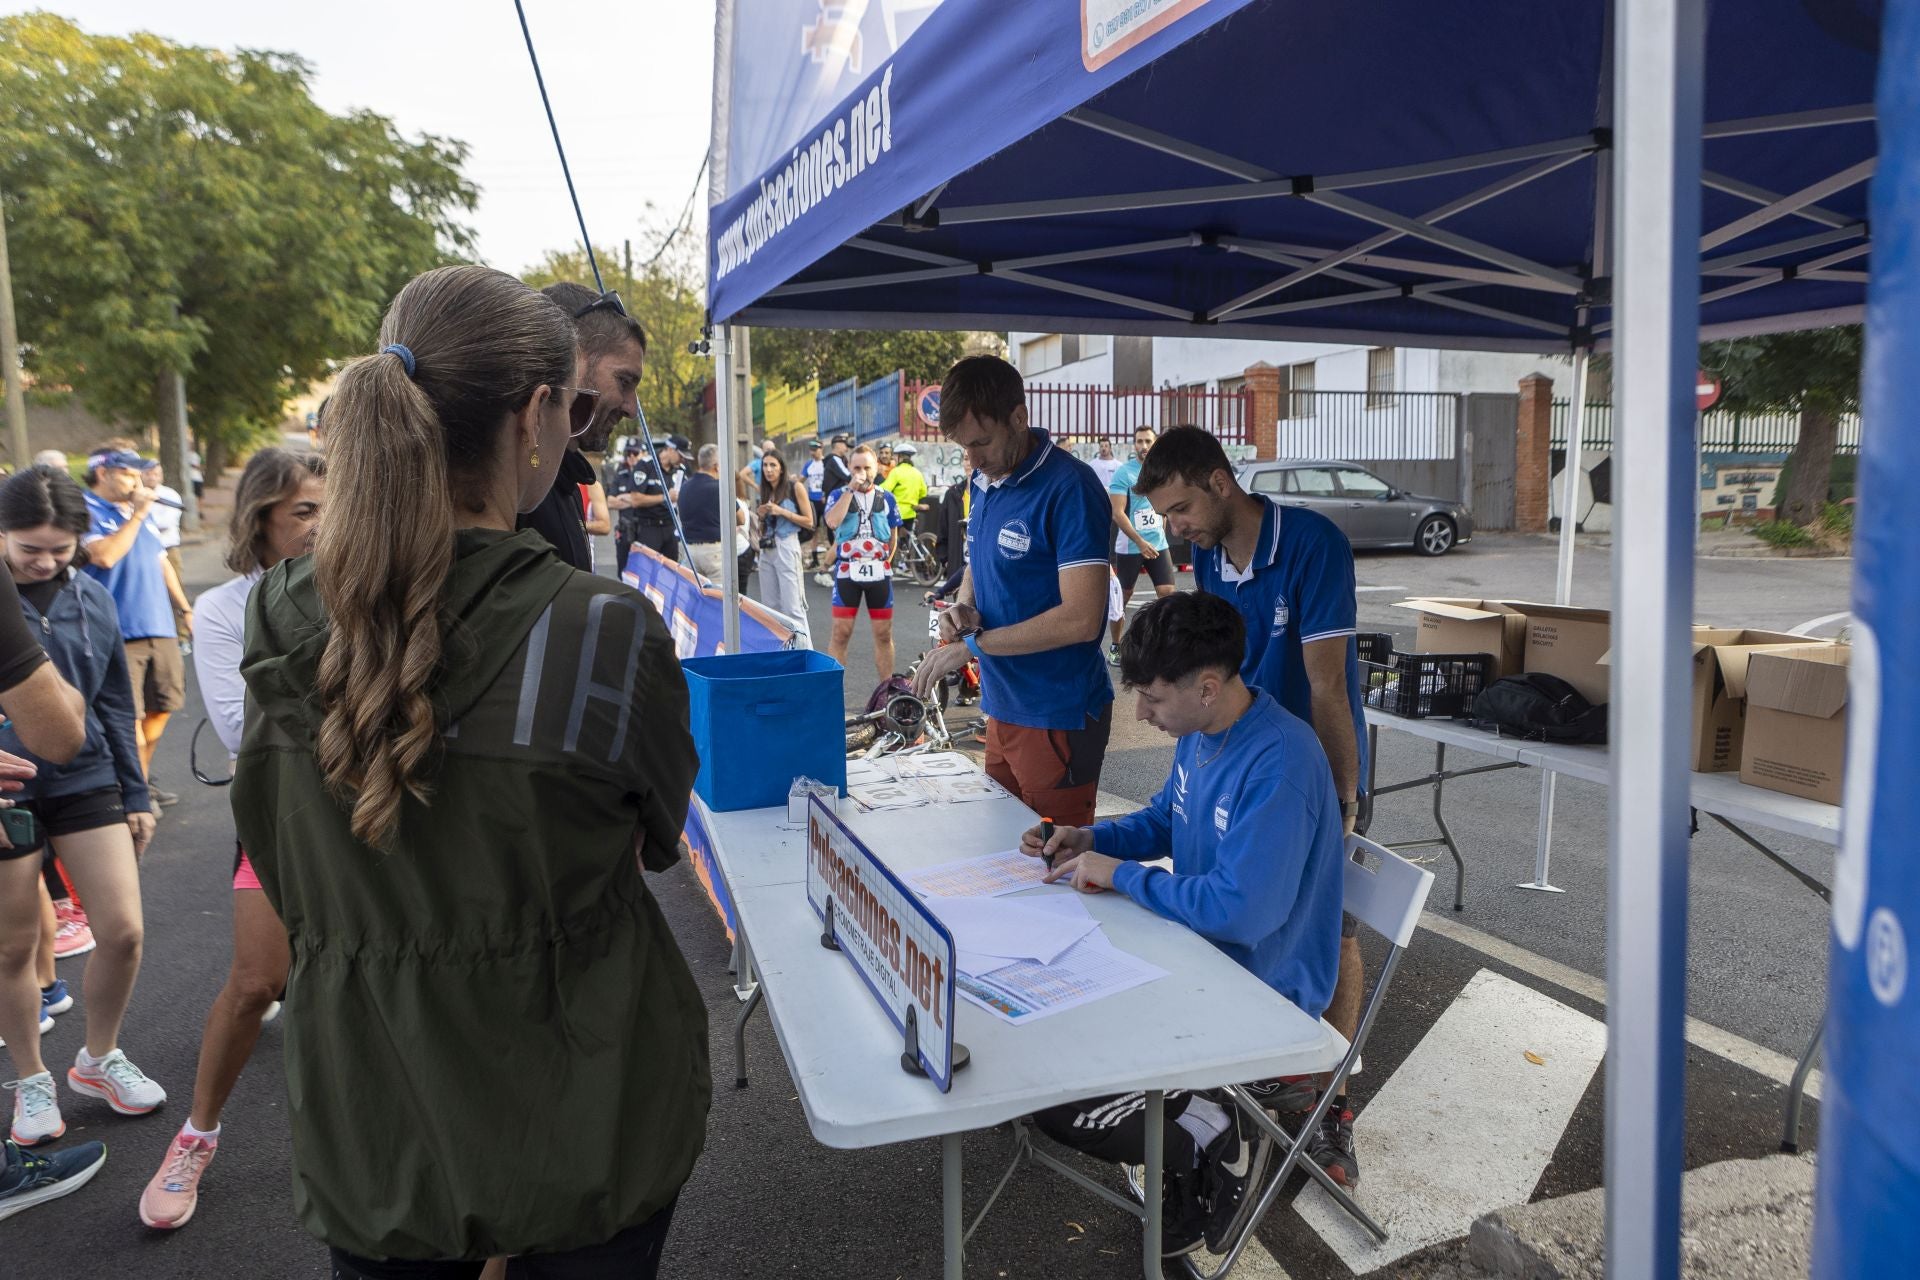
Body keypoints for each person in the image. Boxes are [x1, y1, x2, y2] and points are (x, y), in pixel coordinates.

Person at [229, 265, 708, 1276]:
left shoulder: (275, 613)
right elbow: (654, 837)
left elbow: (274, 851)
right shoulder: (600, 628)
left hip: (375, 1131)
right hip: (582, 1115)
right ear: (538, 414)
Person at [1022, 591, 1345, 1256]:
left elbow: (1244, 912)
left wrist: (1124, 876)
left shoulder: (1279, 760)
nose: (1140, 712)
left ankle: (1211, 1130)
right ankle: (1199, 1142)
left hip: (1262, 989)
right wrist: (1087, 838)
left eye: (1151, 697)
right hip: (1202, 958)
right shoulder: (1202, 734)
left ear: (1206, 686)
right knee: (1043, 1045)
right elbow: (1166, 820)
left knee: (1058, 1098)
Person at [1135, 424, 1369, 1188]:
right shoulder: (1205, 551)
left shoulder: (1311, 544)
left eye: (1179, 509)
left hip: (1310, 763)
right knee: (1263, 910)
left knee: (1330, 928)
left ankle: (1327, 1101)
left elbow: (1328, 685)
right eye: (1166, 517)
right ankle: (1265, 1086)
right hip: (1241, 746)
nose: (1174, 529)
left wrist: (1342, 796)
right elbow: (1213, 656)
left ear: (1219, 480)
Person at [137, 447, 324, 1230]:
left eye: (329, 507)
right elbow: (242, 726)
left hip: (378, 813)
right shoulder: (225, 609)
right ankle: (195, 1137)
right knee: (257, 984)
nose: (321, 525)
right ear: (262, 521)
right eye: (303, 511)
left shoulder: (373, 584)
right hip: (282, 816)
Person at [0, 465, 165, 1151]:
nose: (44, 560)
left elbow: (115, 704)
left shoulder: (93, 597)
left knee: (123, 931)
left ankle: (97, 1058)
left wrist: (137, 792)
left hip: (86, 772)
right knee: (14, 946)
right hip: (7, 786)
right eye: (28, 546)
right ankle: (31, 1077)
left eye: (59, 548)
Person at [911, 356, 1113, 827]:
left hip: (1055, 713)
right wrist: (962, 607)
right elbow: (977, 561)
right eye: (964, 448)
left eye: (981, 442)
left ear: (1019, 419)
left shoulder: (1071, 488)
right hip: (1001, 708)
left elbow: (1081, 620)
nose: (974, 459)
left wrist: (973, 648)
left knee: (1054, 865)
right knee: (1003, 853)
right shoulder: (985, 479)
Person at [516, 281, 647, 572]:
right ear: (570, 359)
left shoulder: (563, 475)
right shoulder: (514, 483)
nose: (631, 409)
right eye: (624, 381)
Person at [79, 447, 186, 803]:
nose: (137, 481)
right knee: (129, 716)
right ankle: (135, 789)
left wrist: (184, 609)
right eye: (128, 473)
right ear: (102, 473)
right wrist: (138, 515)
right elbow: (104, 556)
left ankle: (139, 779)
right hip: (118, 630)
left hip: (158, 624)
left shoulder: (136, 513)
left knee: (163, 706)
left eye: (140, 473)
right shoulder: (87, 510)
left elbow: (161, 562)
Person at [822, 444, 901, 686]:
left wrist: (883, 563)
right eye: (857, 467)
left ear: (876, 467)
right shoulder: (838, 495)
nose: (862, 472)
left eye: (867, 467)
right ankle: (832, 691)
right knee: (841, 634)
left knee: (883, 634)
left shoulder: (887, 497)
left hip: (878, 571)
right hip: (848, 572)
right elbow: (833, 522)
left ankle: (886, 691)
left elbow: (893, 539)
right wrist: (850, 490)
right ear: (849, 468)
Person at [1107, 424, 1178, 664]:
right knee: (1122, 598)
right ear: (1134, 444)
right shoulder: (1124, 473)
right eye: (1139, 441)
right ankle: (1115, 646)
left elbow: (1166, 508)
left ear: (1155, 443)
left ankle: (1166, 647)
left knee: (1168, 595)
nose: (1144, 446)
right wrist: (1140, 541)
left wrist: (1160, 535)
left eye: (1148, 441)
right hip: (1130, 546)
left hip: (1158, 544)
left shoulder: (1162, 472)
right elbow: (1117, 513)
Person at [754, 452, 814, 648]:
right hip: (767, 548)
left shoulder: (794, 487)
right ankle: (779, 651)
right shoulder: (764, 490)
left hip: (788, 544)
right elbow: (761, 528)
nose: (768, 470)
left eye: (773, 465)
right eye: (765, 465)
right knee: (770, 606)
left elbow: (809, 521)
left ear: (781, 467)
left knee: (793, 607)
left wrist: (782, 512)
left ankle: (806, 651)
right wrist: (761, 515)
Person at [610, 435, 688, 572]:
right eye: (681, 455)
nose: (683, 459)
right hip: (649, 527)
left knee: (670, 572)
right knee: (646, 572)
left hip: (670, 528)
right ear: (670, 449)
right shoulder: (646, 465)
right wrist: (665, 497)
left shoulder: (681, 469)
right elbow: (636, 499)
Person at [140, 461, 190, 641]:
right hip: (145, 550)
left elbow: (164, 524)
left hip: (168, 550)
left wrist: (140, 517)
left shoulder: (169, 495)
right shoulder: (137, 497)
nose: (152, 476)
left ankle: (182, 635)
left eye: (156, 473)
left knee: (175, 591)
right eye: (148, 473)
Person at [680, 444, 742, 581]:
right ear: (716, 466)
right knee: (719, 598)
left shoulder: (684, 487)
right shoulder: (720, 488)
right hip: (714, 552)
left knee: (695, 596)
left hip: (690, 551)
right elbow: (741, 518)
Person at [815, 435, 855, 583]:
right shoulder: (834, 459)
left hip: (841, 501)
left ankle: (831, 569)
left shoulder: (836, 460)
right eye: (844, 445)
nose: (846, 449)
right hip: (838, 502)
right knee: (840, 538)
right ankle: (822, 571)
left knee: (842, 538)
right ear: (837, 444)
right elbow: (847, 476)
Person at [880, 441, 929, 545]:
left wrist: (874, 487)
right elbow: (923, 492)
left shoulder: (896, 471)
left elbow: (885, 488)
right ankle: (905, 555)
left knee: (891, 536)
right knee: (906, 540)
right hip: (911, 512)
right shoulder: (917, 473)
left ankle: (898, 558)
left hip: (898, 511)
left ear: (900, 457)